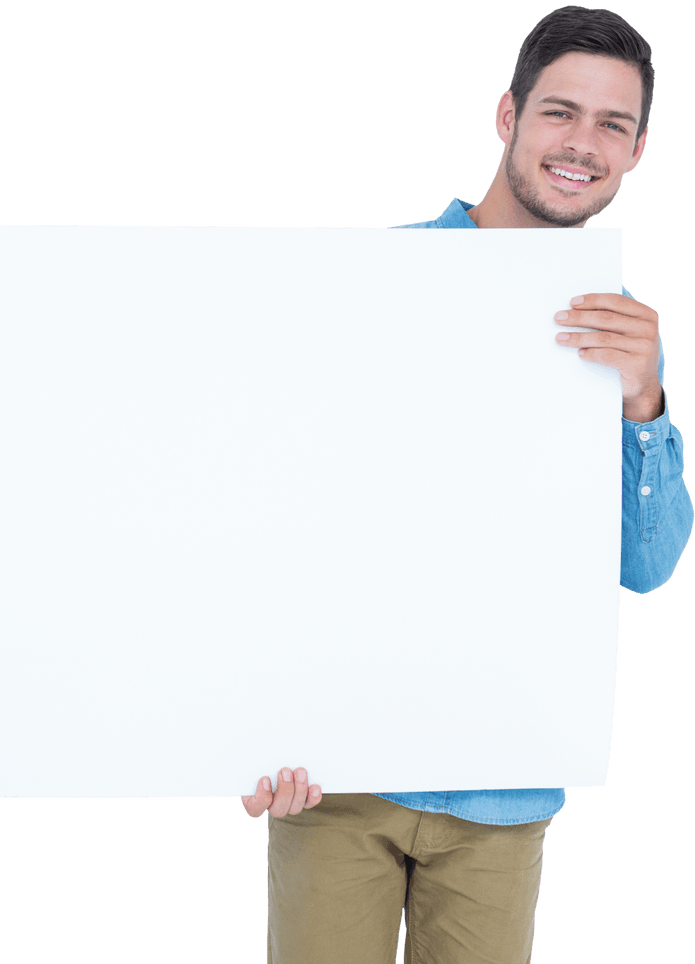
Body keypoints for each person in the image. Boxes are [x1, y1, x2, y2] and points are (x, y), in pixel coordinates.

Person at [241, 7, 694, 963]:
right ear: (507, 116)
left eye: (612, 125)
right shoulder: (369, 283)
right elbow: (272, 519)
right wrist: (243, 731)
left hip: (504, 787)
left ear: (640, 150)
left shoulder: (620, 339)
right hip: (340, 774)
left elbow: (647, 569)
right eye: (559, 112)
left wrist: (646, 400)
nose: (582, 143)